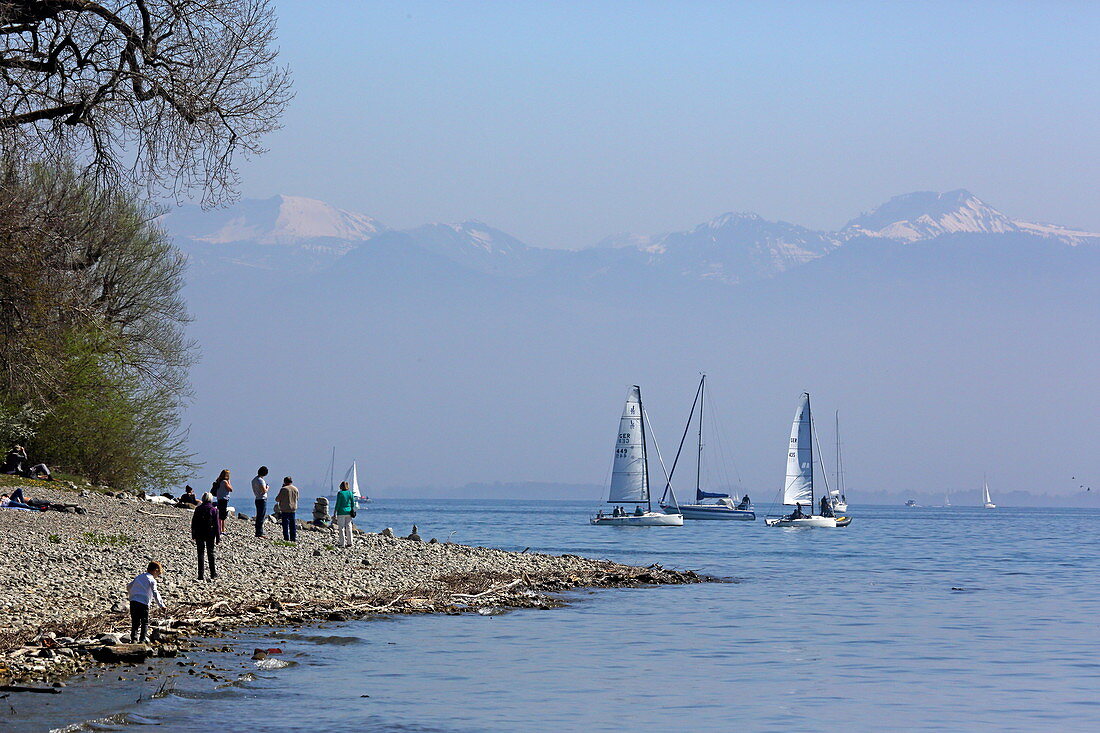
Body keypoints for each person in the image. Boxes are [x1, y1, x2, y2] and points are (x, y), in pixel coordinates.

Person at [126, 561, 166, 643]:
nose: (157, 576)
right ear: (155, 570)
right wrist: (161, 605)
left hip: (133, 601)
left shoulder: (139, 577)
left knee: (135, 621)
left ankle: (133, 639)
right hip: (143, 603)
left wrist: (131, 595)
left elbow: (129, 586)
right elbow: (155, 593)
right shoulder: (152, 580)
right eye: (158, 574)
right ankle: (142, 640)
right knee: (145, 622)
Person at [191, 493, 221, 580]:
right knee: (210, 553)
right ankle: (213, 573)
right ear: (211, 500)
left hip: (199, 533)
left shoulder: (198, 509)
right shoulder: (213, 510)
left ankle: (200, 575)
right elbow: (217, 525)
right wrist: (218, 537)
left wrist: (193, 534)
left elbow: (194, 523)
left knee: (200, 553)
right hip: (210, 533)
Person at [333, 479, 356, 548]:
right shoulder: (350, 493)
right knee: (349, 527)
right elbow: (352, 503)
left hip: (341, 512)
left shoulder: (340, 493)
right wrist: (352, 510)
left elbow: (338, 504)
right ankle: (350, 542)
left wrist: (335, 512)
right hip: (349, 512)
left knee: (341, 528)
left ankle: (342, 543)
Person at [275, 476, 298, 542]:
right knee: (292, 524)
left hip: (285, 509)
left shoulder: (284, 489)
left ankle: (286, 537)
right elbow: (297, 498)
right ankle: (293, 537)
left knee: (285, 524)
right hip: (293, 509)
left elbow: (277, 499)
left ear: (284, 482)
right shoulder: (295, 489)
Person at [251, 466, 269, 538]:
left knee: (259, 515)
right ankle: (259, 532)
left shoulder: (254, 480)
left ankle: (258, 531)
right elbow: (264, 490)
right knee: (261, 516)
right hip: (262, 499)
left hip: (257, 498)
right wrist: (267, 488)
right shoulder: (261, 480)